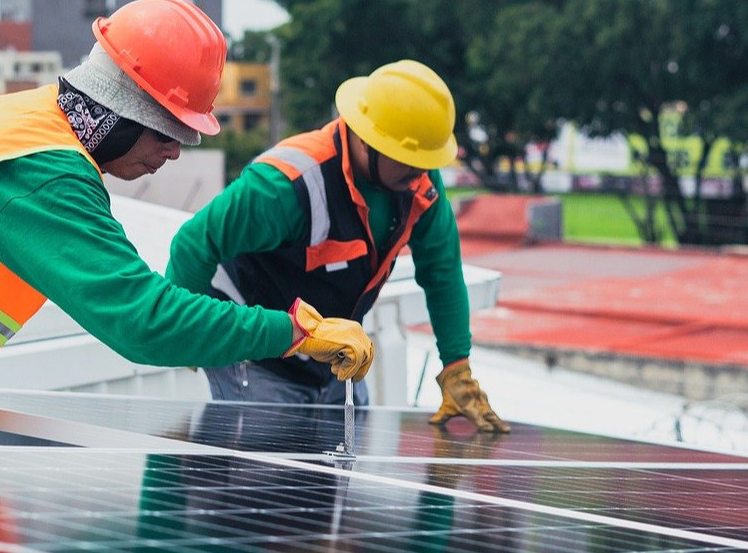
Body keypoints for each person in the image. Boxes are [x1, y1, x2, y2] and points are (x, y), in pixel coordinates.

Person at [0, 0, 373, 444]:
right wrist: (298, 331)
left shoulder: (21, 120)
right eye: (168, 133)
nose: (174, 154)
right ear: (124, 110)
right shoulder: (41, 176)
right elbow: (143, 322)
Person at [166, 59, 509, 432]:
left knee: (336, 477)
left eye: (427, 162)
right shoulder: (286, 184)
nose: (421, 173)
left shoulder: (419, 187)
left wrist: (457, 367)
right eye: (411, 160)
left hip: (335, 358)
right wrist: (189, 335)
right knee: (269, 475)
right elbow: (193, 244)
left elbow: (442, 273)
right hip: (257, 356)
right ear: (367, 140)